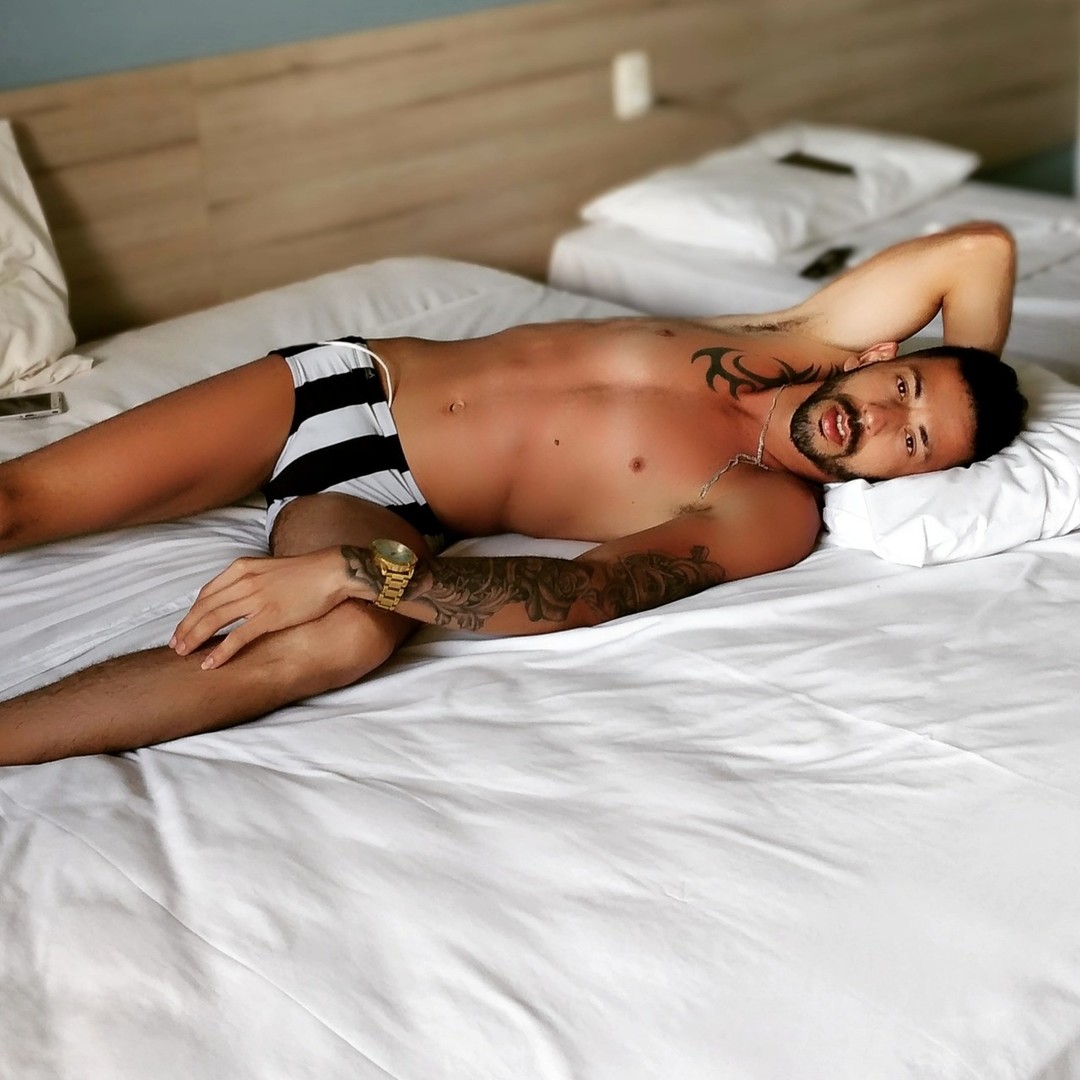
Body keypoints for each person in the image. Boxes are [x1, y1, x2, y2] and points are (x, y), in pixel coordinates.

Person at [0, 222, 1026, 764]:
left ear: (910, 481)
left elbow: (575, 594)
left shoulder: (770, 511)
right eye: (903, 388)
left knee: (342, 640)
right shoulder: (796, 339)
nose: (880, 420)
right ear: (880, 353)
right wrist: (966, 378)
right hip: (347, 383)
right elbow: (979, 249)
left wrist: (352, 570)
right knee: (17, 503)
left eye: (914, 445)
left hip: (387, 502)